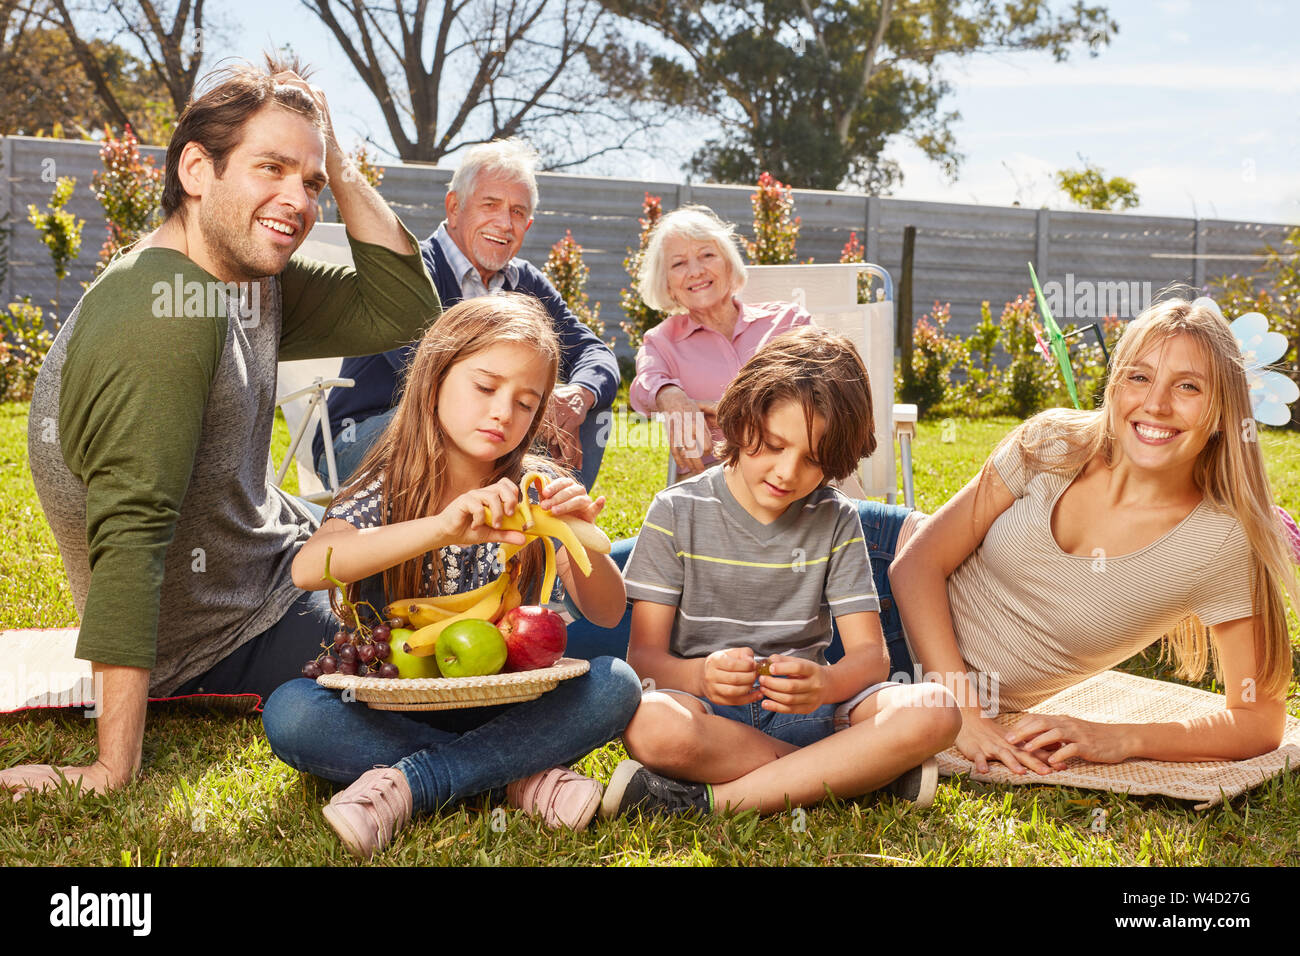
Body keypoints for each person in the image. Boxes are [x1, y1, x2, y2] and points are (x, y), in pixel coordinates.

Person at [7, 57, 440, 801]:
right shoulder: (162, 313)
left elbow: (405, 309)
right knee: (484, 632)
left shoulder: (245, 276)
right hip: (230, 634)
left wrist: (331, 157)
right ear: (198, 170)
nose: (297, 201)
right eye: (270, 167)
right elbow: (132, 534)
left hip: (285, 559)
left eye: (307, 183)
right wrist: (112, 769)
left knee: (490, 556)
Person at [263, 294, 641, 858]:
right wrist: (440, 528)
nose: (502, 413)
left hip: (511, 696)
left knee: (616, 684)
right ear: (435, 379)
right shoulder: (390, 487)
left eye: (525, 402)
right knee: (292, 712)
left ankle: (410, 784)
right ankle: (520, 774)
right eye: (485, 388)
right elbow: (310, 566)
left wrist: (571, 539)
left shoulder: (534, 489)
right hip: (400, 706)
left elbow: (609, 613)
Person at [890, 296, 1299, 774]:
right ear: (1115, 385)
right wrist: (965, 713)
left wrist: (1118, 738)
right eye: (1139, 377)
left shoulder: (1222, 541)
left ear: (1222, 410)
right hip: (864, 568)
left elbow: (1258, 720)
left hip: (898, 685)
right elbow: (916, 563)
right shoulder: (1052, 443)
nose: (1156, 404)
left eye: (1188, 386)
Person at [599, 327, 960, 819]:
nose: (787, 473)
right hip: (708, 716)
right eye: (772, 444)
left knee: (936, 709)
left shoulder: (836, 519)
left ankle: (718, 802)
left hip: (815, 713)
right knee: (649, 726)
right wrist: (701, 677)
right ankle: (852, 776)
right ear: (742, 416)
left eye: (812, 460)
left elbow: (870, 659)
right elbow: (643, 658)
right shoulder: (676, 511)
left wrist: (826, 685)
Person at [318, 138, 618, 492]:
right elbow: (430, 372)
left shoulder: (525, 282)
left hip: (476, 434)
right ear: (454, 207)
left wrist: (578, 395)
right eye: (490, 204)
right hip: (368, 435)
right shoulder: (410, 270)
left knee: (591, 413)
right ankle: (468, 537)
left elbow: (594, 353)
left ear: (528, 225)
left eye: (517, 212)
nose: (505, 223)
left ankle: (545, 532)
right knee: (454, 414)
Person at [629, 205, 812, 479]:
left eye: (707, 255)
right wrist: (669, 394)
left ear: (728, 263)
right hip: (715, 481)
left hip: (799, 470)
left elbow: (825, 387)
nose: (695, 271)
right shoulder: (661, 341)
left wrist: (737, 417)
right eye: (678, 263)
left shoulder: (788, 320)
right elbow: (642, 387)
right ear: (667, 284)